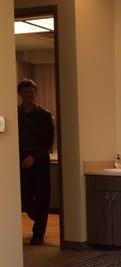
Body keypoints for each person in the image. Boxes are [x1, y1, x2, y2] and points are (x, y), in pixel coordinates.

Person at [17, 79, 54, 245]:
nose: (28, 95)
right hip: (20, 163)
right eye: (25, 92)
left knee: (42, 197)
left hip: (39, 163)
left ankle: (38, 233)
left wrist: (34, 156)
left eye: (31, 92)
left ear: (35, 93)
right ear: (20, 94)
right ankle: (36, 216)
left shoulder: (45, 115)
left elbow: (48, 141)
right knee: (24, 197)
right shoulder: (14, 113)